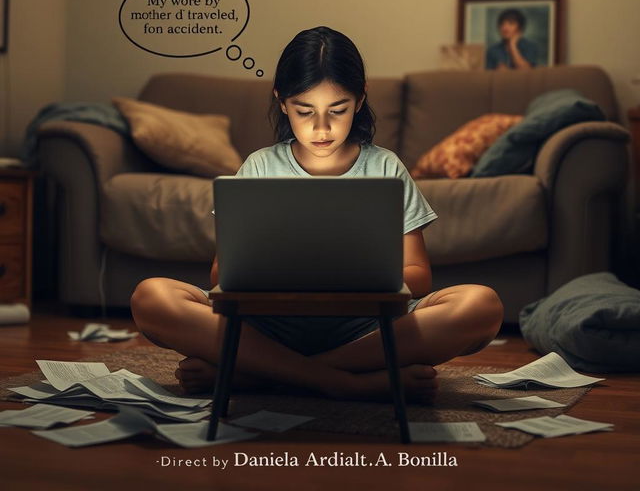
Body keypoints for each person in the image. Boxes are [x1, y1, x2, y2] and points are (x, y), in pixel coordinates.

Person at [130, 26, 504, 403]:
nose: (321, 128)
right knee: (152, 297)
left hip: (366, 329)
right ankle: (346, 381)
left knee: (481, 305)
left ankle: (260, 374)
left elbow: (418, 278)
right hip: (267, 327)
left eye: (337, 110)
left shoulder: (386, 167)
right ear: (281, 101)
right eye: (304, 111)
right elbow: (220, 276)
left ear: (360, 100)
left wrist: (357, 276)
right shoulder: (259, 167)